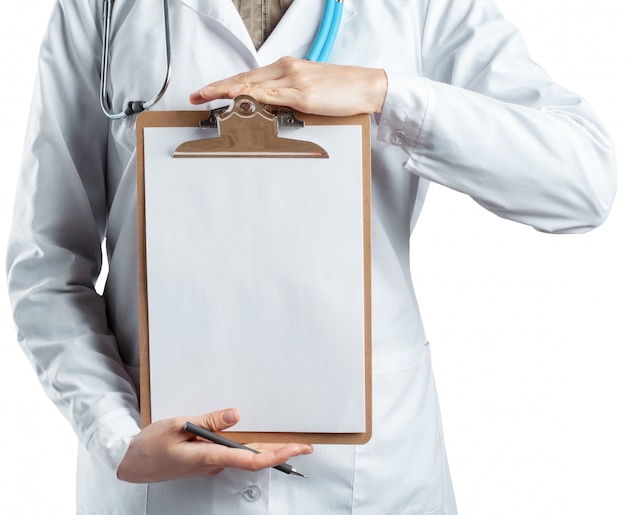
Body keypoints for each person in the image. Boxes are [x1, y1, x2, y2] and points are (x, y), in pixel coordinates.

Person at [6, 0, 616, 514]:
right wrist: (114, 437)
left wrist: (385, 95)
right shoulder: (101, 8)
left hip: (372, 480)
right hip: (164, 481)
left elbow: (581, 183)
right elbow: (47, 264)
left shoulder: (422, 8)